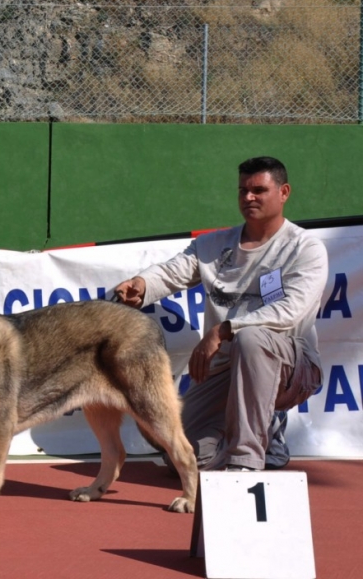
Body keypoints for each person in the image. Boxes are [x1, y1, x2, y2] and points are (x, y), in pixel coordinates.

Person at [115, 157, 328, 471]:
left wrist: (225, 329)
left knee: (252, 339)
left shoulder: (305, 248)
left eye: (259, 190)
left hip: (292, 367)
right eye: (242, 190)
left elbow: (291, 311)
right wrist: (142, 285)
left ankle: (246, 461)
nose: (248, 198)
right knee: (182, 459)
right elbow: (173, 273)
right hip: (225, 368)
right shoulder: (213, 244)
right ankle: (255, 429)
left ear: (284, 192)